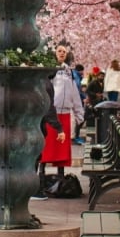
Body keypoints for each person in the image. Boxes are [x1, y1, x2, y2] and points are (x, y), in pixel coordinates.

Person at [37, 45, 85, 196]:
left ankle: (60, 176)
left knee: (62, 149)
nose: (62, 53)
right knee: (47, 147)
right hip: (52, 113)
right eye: (59, 51)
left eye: (64, 51)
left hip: (65, 113)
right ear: (54, 53)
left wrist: (79, 113)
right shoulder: (50, 70)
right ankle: (42, 175)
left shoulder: (69, 72)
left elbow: (75, 92)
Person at [33, 80, 65, 200]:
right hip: (36, 126)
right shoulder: (45, 83)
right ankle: (30, 190)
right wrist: (59, 128)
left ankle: (27, 189)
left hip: (23, 125)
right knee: (34, 157)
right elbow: (48, 108)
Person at [71, 64, 86, 145]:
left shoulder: (74, 75)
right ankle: (75, 137)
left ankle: (75, 136)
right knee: (78, 118)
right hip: (76, 101)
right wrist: (83, 97)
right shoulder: (76, 76)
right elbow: (77, 89)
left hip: (74, 100)